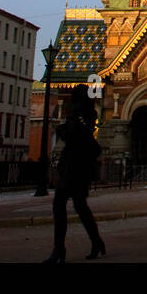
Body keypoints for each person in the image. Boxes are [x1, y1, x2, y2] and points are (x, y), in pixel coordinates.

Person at [44, 84, 106, 262]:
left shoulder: (82, 114)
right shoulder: (86, 113)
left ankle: (61, 249)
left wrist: (62, 130)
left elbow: (76, 136)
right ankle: (91, 242)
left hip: (76, 167)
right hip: (76, 167)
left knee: (67, 207)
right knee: (76, 207)